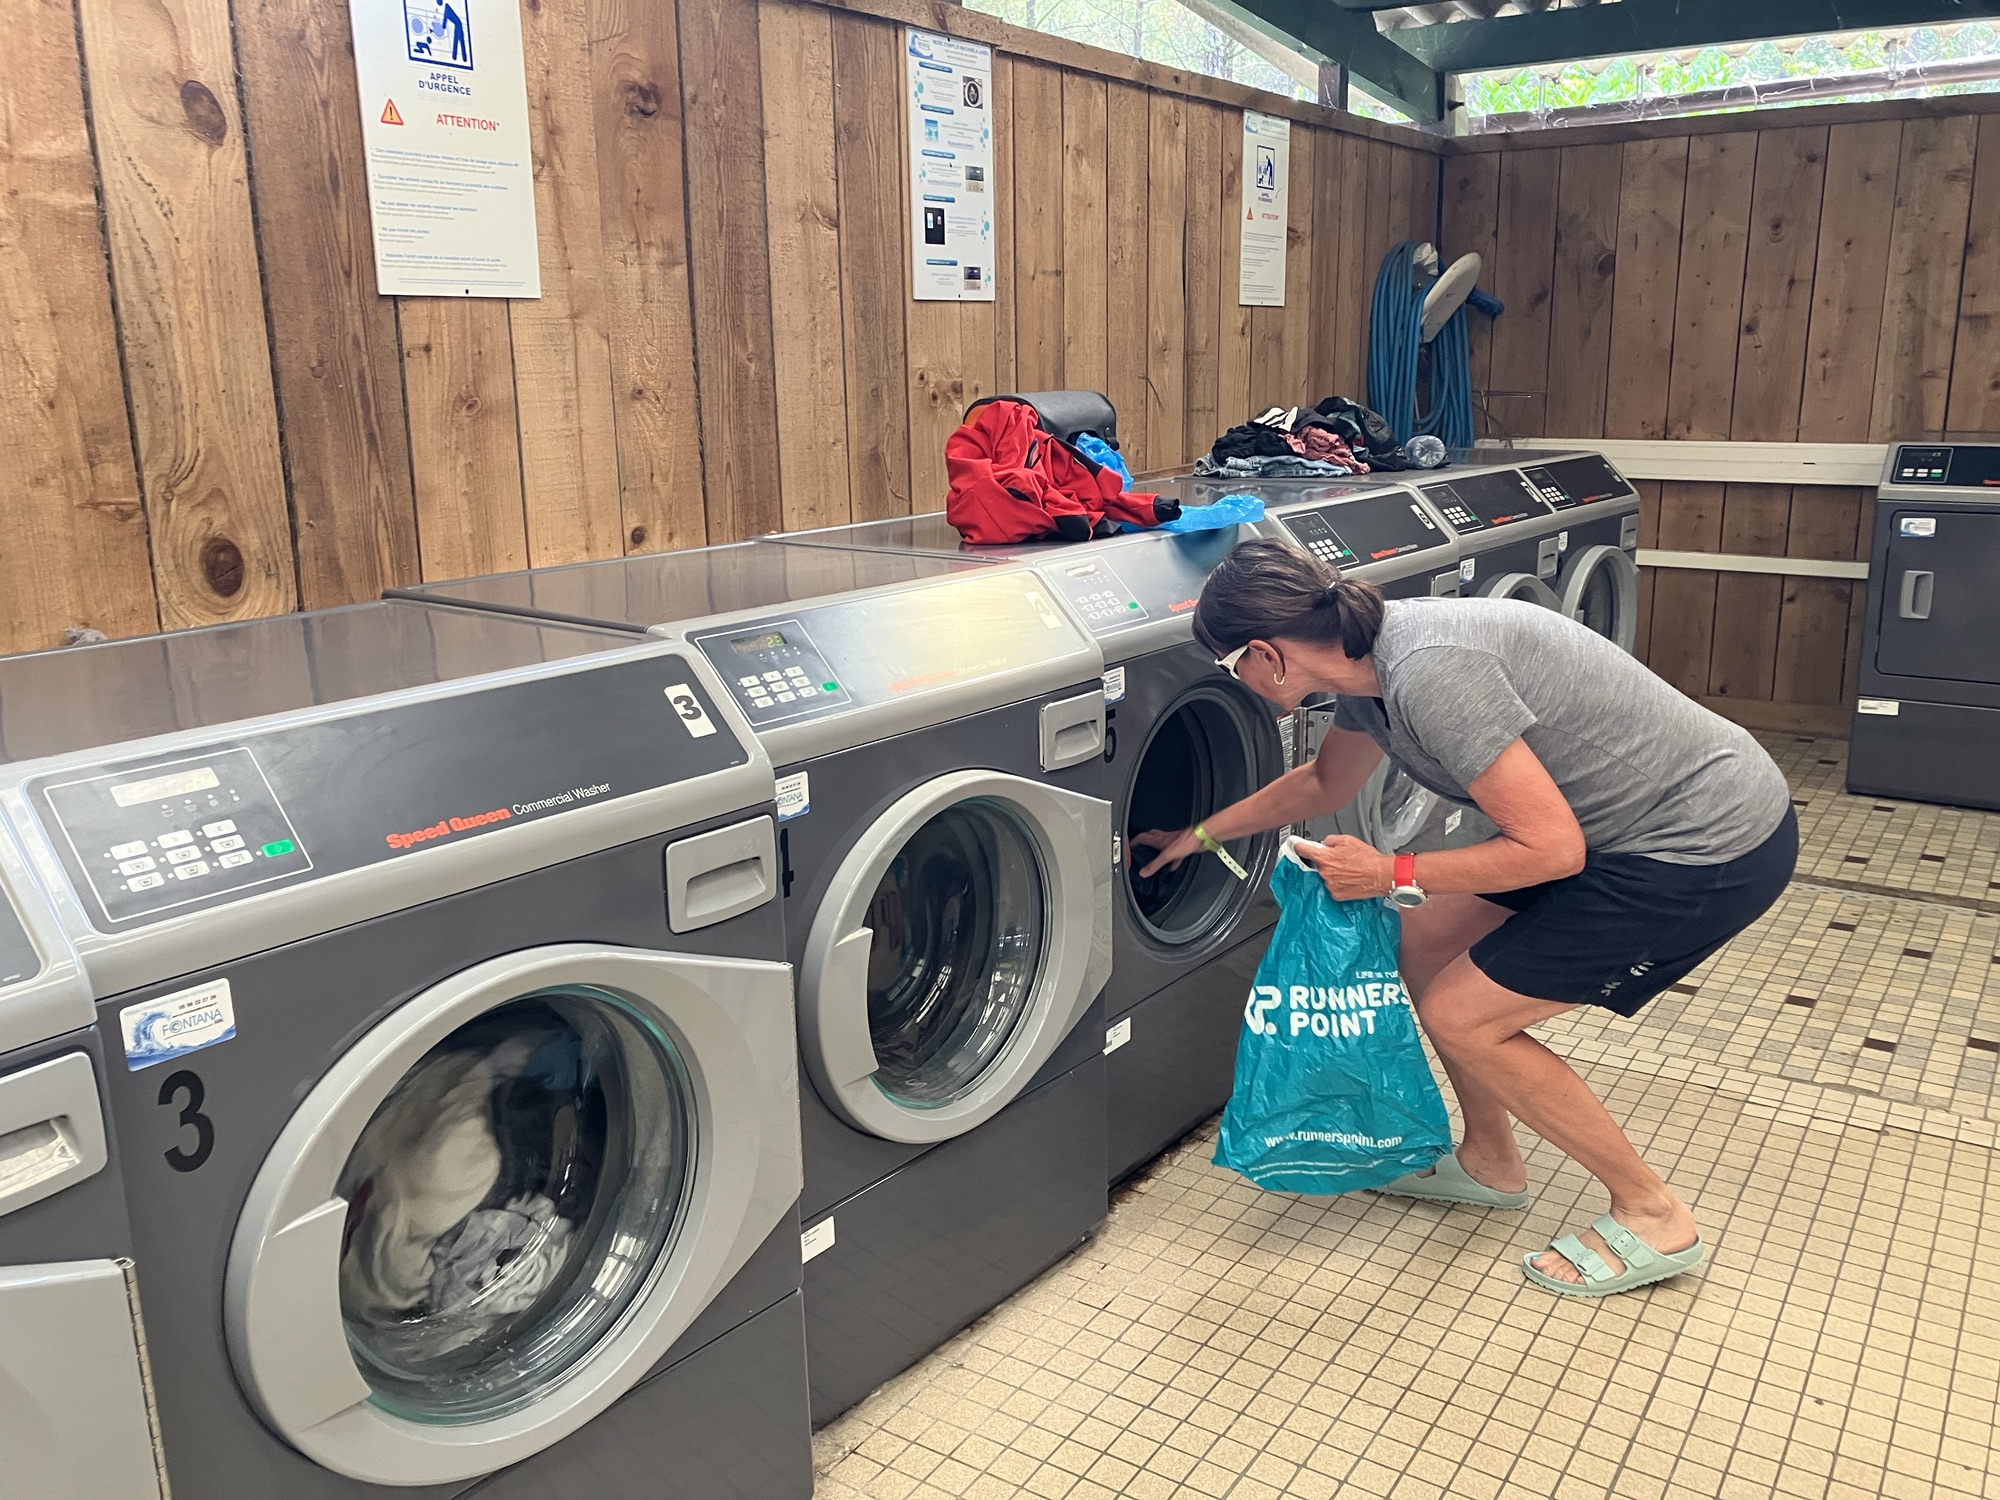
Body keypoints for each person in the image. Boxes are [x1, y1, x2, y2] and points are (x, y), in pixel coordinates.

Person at [1134, 539, 1796, 1297]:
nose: (1236, 681)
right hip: (1608, 829)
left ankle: (1654, 1213)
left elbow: (1550, 850)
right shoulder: (1365, 665)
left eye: (1229, 666)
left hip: (1704, 844)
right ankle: (1489, 1161)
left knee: (1464, 1017)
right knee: (1422, 943)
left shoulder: (1429, 673)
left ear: (1267, 654)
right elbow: (1325, 781)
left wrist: (1387, 873)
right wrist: (1199, 835)